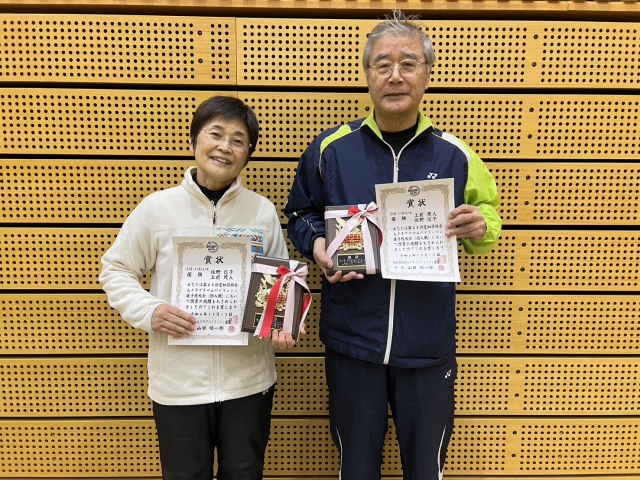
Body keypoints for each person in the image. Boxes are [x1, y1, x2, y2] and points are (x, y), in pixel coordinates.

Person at [284, 11, 502, 480]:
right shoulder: (330, 150)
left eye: (408, 63)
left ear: (427, 74)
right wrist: (317, 245)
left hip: (427, 346)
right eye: (382, 64)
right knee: (356, 469)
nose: (395, 75)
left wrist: (480, 226)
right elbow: (299, 214)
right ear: (368, 76)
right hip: (352, 342)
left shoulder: (456, 154)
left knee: (425, 470)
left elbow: (489, 219)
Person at [100, 96, 296, 480]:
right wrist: (149, 311)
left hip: (248, 382)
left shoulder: (262, 211)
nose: (225, 147)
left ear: (248, 153)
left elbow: (279, 282)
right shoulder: (157, 208)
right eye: (216, 134)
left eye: (238, 140)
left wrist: (280, 321)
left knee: (245, 473)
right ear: (194, 141)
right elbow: (116, 269)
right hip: (179, 385)